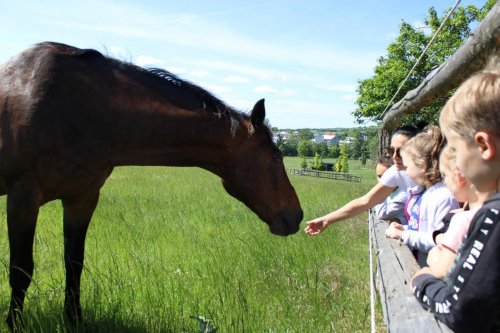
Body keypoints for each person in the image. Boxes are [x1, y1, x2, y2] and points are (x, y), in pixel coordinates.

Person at [411, 67, 500, 332]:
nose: (456, 162)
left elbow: (460, 309)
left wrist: (423, 283)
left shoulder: (493, 216)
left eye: (457, 148)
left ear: (483, 146)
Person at [304, 125, 420, 236]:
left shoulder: (432, 175)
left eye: (400, 151)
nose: (394, 156)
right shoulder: (396, 171)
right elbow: (365, 201)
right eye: (391, 151)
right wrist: (326, 220)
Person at [384, 125, 459, 266]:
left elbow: (438, 240)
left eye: (408, 166)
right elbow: (422, 230)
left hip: (433, 271)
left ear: (422, 165)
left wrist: (403, 235)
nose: (406, 173)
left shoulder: (444, 198)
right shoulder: (425, 193)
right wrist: (404, 228)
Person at [425, 145, 487, 279]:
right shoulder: (492, 213)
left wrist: (432, 258)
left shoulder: (462, 220)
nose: (444, 182)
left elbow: (441, 271)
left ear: (458, 177)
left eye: (444, 176)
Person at [373, 155, 408, 224]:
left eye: (385, 176)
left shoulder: (403, 196)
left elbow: (382, 214)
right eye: (379, 176)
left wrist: (378, 194)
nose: (381, 180)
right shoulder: (391, 190)